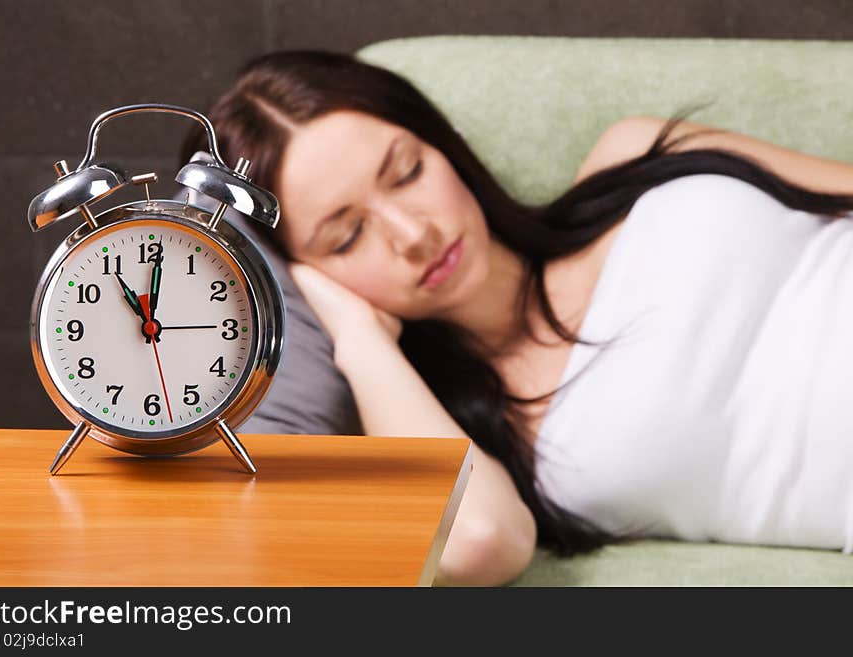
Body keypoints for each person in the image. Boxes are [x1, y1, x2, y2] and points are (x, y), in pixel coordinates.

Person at [181, 50, 853, 586]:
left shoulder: (638, 158)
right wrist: (358, 340)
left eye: (408, 170)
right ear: (307, 279)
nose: (413, 233)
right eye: (347, 236)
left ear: (443, 144)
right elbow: (479, 541)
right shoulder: (498, 446)